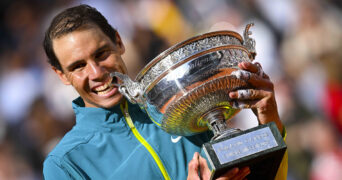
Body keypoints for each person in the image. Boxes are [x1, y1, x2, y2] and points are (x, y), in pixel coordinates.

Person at [42, 4, 287, 180]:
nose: (96, 72)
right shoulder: (65, 164)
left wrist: (270, 121)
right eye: (78, 66)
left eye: (101, 54)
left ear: (119, 42)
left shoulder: (181, 104)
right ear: (61, 75)